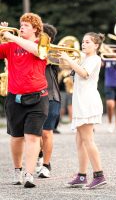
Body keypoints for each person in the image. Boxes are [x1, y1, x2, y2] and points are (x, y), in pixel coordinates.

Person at [0, 13, 49, 188]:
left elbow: (36, 51)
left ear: (35, 28)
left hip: (38, 97)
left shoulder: (41, 43)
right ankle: (17, 169)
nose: (21, 27)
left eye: (26, 25)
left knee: (33, 137)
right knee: (16, 137)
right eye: (21, 24)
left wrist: (12, 37)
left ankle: (29, 174)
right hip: (15, 97)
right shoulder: (10, 45)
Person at [60, 32, 107, 190]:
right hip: (80, 102)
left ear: (96, 46)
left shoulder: (94, 59)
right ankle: (81, 176)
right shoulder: (83, 58)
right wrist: (65, 58)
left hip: (88, 102)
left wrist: (69, 60)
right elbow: (64, 66)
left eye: (88, 42)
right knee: (79, 141)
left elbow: (84, 73)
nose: (84, 44)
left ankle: (99, 175)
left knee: (88, 140)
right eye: (83, 41)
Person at [36, 23, 61, 178]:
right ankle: (39, 156)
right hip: (33, 96)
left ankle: (46, 165)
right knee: (33, 134)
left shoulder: (54, 52)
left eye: (39, 33)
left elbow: (44, 57)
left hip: (51, 96)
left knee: (46, 133)